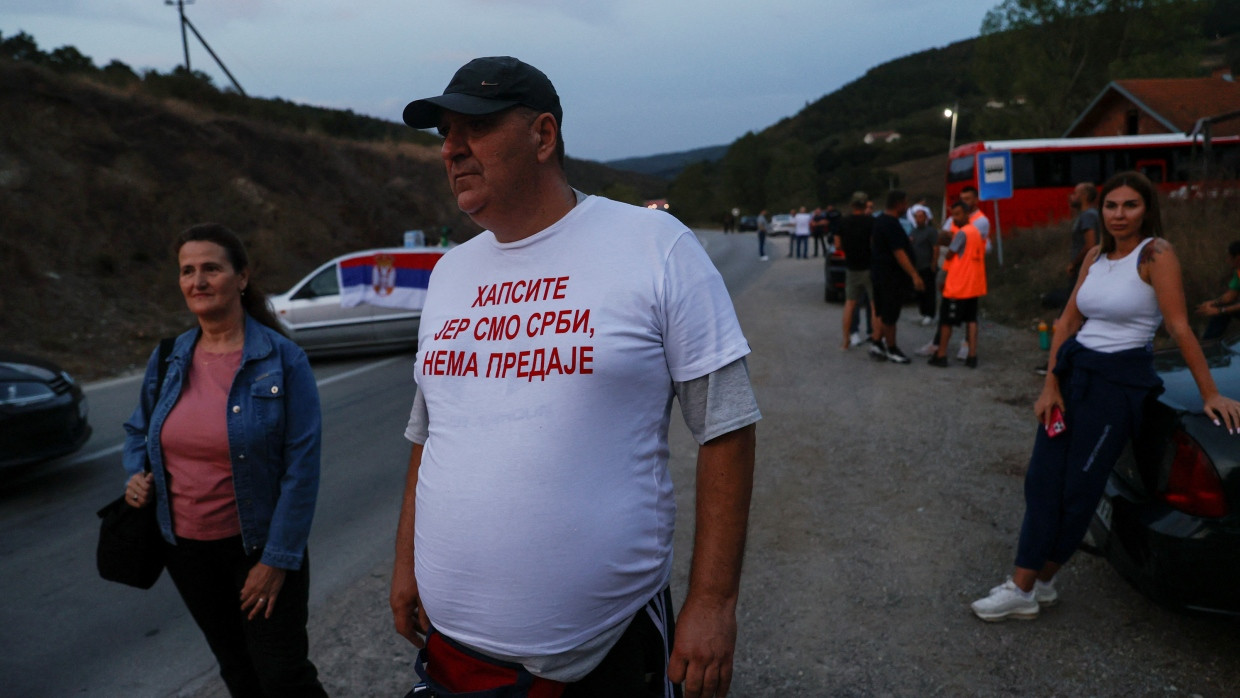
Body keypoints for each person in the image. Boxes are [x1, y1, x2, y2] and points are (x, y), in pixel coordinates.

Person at [392, 56, 760, 698]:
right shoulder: (451, 274)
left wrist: (713, 603)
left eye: (471, 128)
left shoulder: (655, 246)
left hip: (604, 652)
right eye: (444, 134)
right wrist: (406, 564)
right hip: (453, 652)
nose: (450, 150)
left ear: (542, 136)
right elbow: (430, 433)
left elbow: (725, 428)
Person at [969, 172, 1240, 622]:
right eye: (1111, 205)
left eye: (1129, 205)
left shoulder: (1156, 254)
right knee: (1042, 482)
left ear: (1146, 209)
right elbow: (1065, 324)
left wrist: (1209, 392)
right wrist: (1050, 384)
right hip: (1075, 376)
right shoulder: (1096, 253)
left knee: (1081, 490)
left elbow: (1178, 326)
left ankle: (1032, 583)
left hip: (1118, 387)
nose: (1118, 215)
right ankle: (1029, 584)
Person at [121, 224, 327, 697]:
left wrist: (276, 561)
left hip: (259, 548)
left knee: (285, 677)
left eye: (211, 268)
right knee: (237, 671)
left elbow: (302, 469)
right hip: (187, 551)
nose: (197, 281)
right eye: (187, 271)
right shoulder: (169, 357)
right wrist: (136, 473)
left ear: (241, 278)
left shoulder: (283, 360)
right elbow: (138, 428)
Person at [867, 190, 924, 364]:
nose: (906, 207)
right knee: (890, 315)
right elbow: (899, 252)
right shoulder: (891, 224)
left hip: (878, 273)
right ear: (898, 204)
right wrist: (914, 275)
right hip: (890, 276)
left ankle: (876, 342)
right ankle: (892, 349)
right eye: (905, 203)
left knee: (882, 311)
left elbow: (873, 243)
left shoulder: (879, 222)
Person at [928, 202, 986, 369]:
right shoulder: (976, 232)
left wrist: (946, 242)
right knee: (971, 320)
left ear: (967, 213)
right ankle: (972, 356)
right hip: (973, 284)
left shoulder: (962, 233)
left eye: (958, 214)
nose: (955, 218)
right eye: (953, 215)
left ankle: (941, 355)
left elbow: (951, 254)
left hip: (958, 285)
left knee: (946, 321)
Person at [835, 193, 876, 350]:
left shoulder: (843, 222)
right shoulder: (872, 222)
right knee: (874, 305)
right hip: (869, 267)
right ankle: (875, 338)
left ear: (852, 205)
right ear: (866, 205)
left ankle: (846, 341)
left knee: (850, 304)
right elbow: (875, 243)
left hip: (852, 268)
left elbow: (838, 245)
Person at [1195, 240, 1240, 341]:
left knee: (1222, 311)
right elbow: (1230, 296)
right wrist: (1213, 303)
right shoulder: (1238, 272)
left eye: (1229, 257)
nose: (1227, 260)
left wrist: (1220, 311)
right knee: (1221, 310)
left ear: (1238, 257)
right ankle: (1208, 344)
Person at [907, 204, 938, 325]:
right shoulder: (913, 231)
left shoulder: (930, 231)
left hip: (927, 266)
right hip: (916, 266)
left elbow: (935, 248)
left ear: (926, 218)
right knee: (919, 291)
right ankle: (923, 312)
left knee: (929, 291)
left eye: (921, 217)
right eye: (917, 217)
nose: (918, 219)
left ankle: (930, 313)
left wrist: (934, 263)